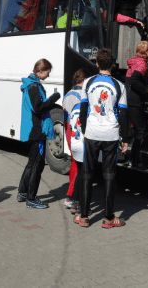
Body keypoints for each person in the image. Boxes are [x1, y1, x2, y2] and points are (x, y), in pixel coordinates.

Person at [76, 48, 128, 228]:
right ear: (112, 65)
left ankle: (84, 216)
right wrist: (125, 138)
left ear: (97, 63)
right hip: (111, 134)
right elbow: (123, 115)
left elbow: (83, 109)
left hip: (92, 132)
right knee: (109, 174)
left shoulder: (88, 82)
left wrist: (85, 130)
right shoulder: (120, 85)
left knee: (87, 173)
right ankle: (108, 217)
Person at [17, 58, 61, 209]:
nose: (48, 75)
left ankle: (23, 192)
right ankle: (31, 198)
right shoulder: (33, 86)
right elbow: (38, 107)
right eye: (47, 72)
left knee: (32, 163)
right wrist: (53, 99)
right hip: (37, 130)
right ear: (40, 71)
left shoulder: (31, 84)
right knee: (37, 164)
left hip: (34, 129)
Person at [125, 41, 148, 170]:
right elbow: (135, 81)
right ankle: (134, 160)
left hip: (128, 99)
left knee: (132, 129)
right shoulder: (141, 64)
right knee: (140, 130)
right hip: (135, 101)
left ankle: (130, 157)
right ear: (147, 52)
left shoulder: (134, 62)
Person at [62, 68, 86, 213]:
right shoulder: (82, 95)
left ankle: (72, 195)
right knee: (78, 165)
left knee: (74, 162)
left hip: (69, 129)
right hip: (77, 131)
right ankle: (71, 196)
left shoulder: (68, 94)